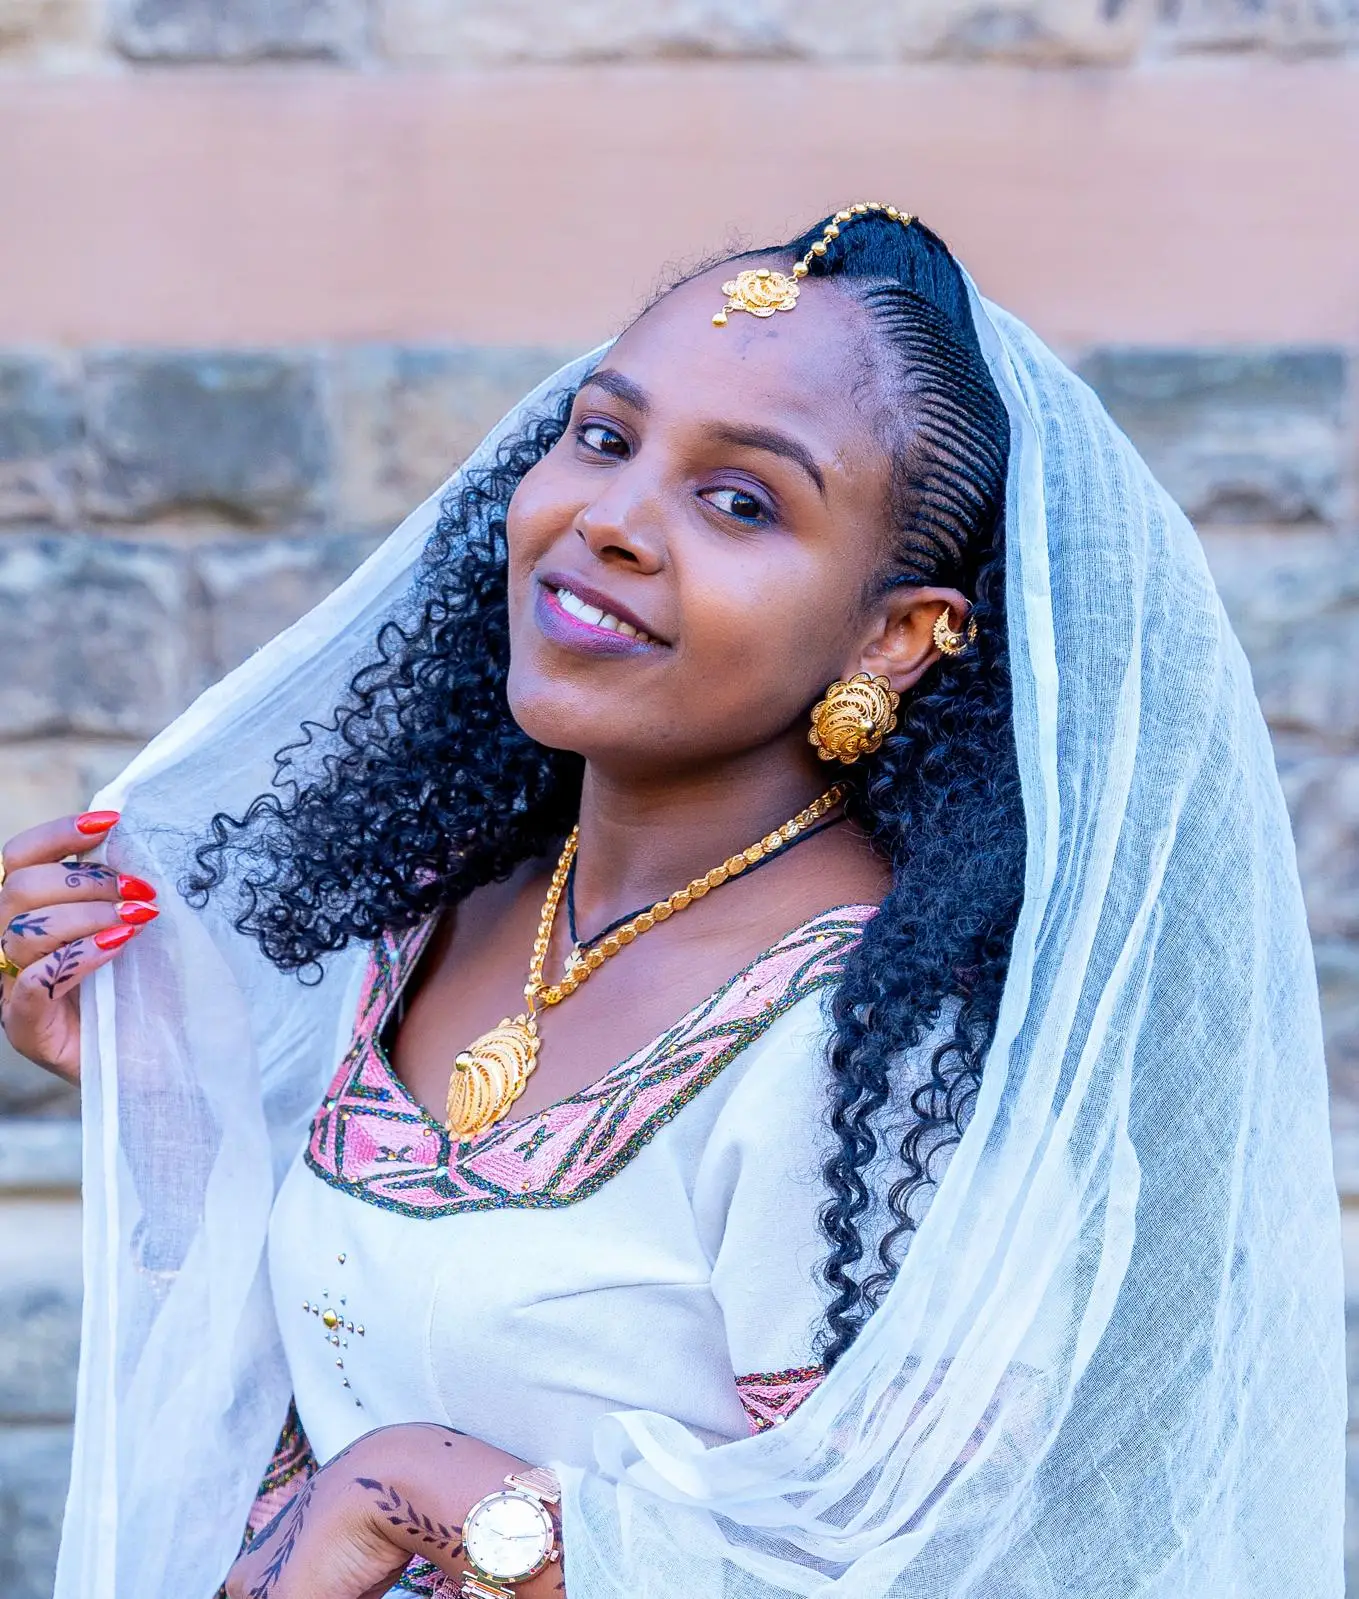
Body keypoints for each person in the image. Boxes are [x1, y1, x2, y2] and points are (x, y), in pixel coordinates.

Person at [0, 205, 1344, 1599]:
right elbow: (313, 1374)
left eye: (741, 501)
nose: (611, 521)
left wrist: (421, 1496)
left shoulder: (873, 1053)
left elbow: (927, 1562)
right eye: (603, 436)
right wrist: (164, 1103)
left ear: (896, 634)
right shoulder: (429, 918)